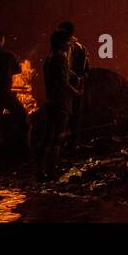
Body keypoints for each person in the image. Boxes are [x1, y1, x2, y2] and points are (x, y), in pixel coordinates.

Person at [0, 30, 29, 170]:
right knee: (24, 118)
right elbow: (18, 70)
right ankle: (25, 151)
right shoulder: (8, 55)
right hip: (5, 93)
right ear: (2, 40)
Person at [40, 28, 81, 178]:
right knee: (59, 136)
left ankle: (40, 170)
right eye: (67, 42)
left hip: (51, 101)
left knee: (48, 137)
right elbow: (63, 82)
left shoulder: (49, 58)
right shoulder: (61, 59)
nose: (69, 45)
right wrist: (76, 92)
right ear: (62, 43)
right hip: (62, 101)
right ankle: (52, 170)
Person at [59, 21, 89, 149]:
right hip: (77, 85)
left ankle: (63, 145)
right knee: (76, 115)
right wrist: (81, 81)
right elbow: (86, 68)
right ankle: (74, 143)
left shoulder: (64, 47)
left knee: (65, 116)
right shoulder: (81, 46)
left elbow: (64, 68)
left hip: (67, 86)